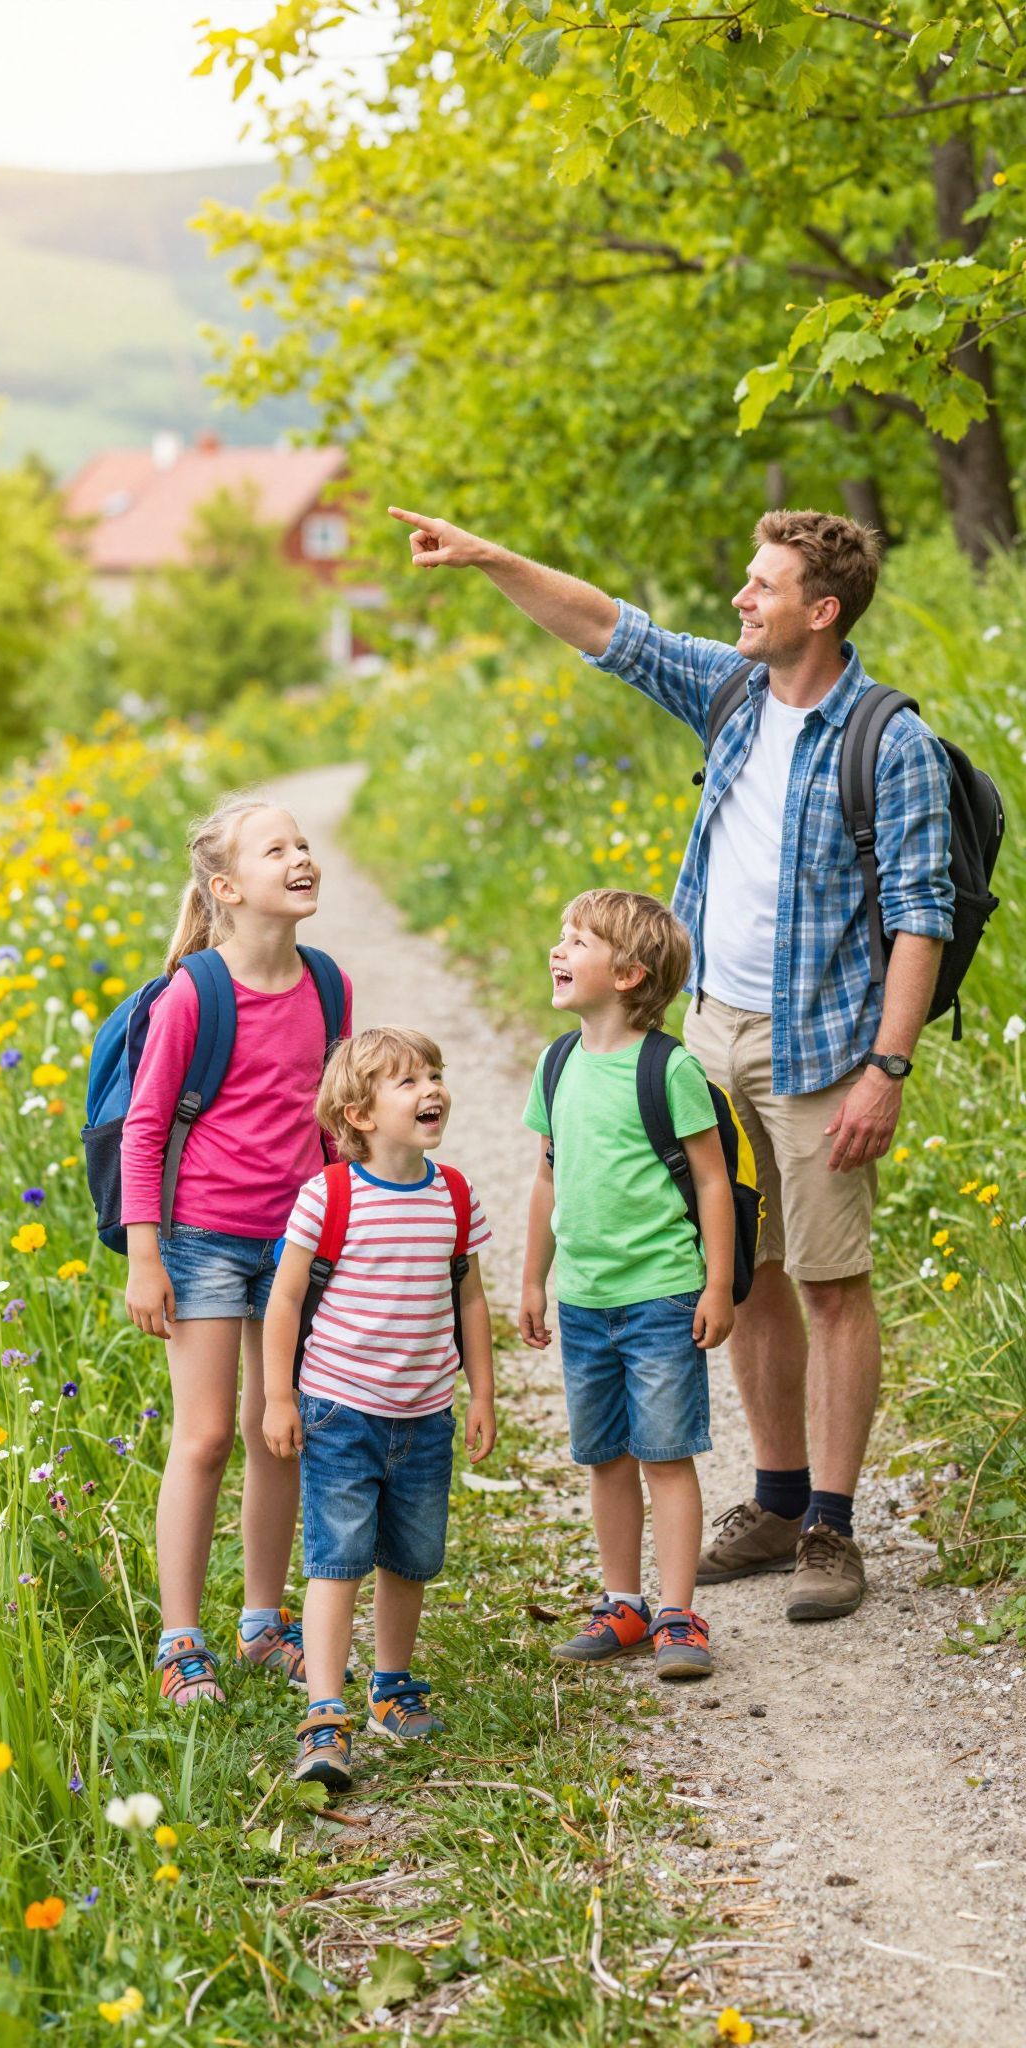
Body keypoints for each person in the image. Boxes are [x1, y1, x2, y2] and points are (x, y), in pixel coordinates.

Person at [390, 503, 953, 1622]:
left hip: (830, 1045)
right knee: (746, 1270)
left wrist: (887, 1067)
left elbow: (921, 915)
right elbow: (612, 628)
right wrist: (494, 553)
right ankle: (779, 1496)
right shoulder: (735, 693)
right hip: (713, 1031)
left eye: (764, 585)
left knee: (832, 1281)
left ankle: (835, 1525)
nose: (741, 599)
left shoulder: (891, 742)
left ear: (822, 609)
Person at [120, 790, 352, 1705]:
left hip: (295, 1239)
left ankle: (263, 1624)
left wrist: (348, 1221)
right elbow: (145, 1129)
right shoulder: (196, 991)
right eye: (275, 850)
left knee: (278, 1431)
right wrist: (146, 1256)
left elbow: (334, 1120)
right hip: (205, 1240)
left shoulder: (327, 982)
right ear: (227, 886)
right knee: (208, 1433)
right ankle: (182, 1640)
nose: (301, 857)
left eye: (302, 842)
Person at [261, 1027, 496, 1792]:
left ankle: (391, 1686)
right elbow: (286, 1298)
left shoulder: (453, 1193)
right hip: (340, 1412)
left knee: (410, 1558)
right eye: (408, 1082)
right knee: (337, 1559)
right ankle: (325, 1713)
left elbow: (469, 1295)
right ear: (358, 1113)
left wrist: (483, 1390)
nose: (431, 1089)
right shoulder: (329, 1196)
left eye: (435, 1074)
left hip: (425, 1414)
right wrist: (276, 1395)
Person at [521, 889, 734, 1680]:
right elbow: (547, 1181)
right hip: (583, 1299)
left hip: (661, 1296)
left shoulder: (669, 1067)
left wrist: (716, 1287)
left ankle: (678, 1612)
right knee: (606, 1456)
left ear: (630, 972)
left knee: (665, 1454)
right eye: (561, 935)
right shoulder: (557, 1062)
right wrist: (534, 1280)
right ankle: (625, 1603)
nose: (559, 949)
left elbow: (713, 1183)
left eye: (578, 940)